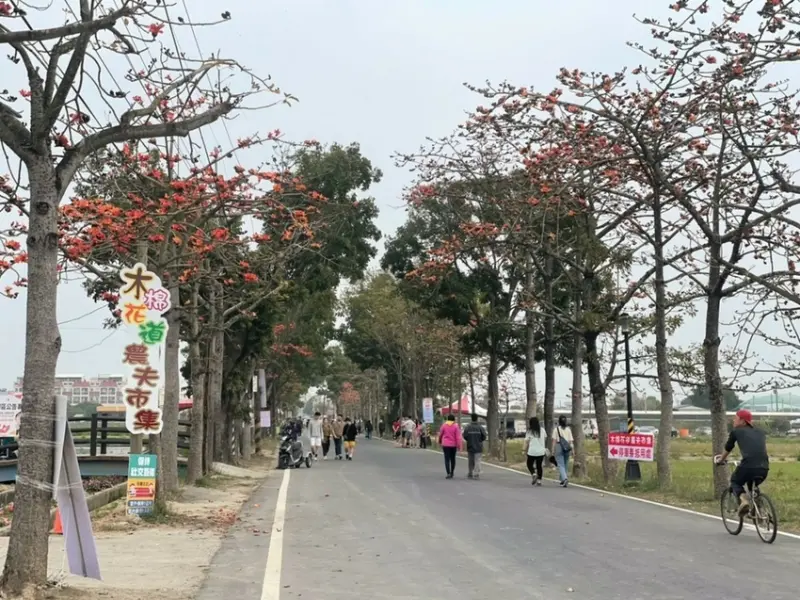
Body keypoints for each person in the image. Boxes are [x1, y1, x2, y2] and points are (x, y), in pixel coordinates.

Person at [715, 409, 769, 516]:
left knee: (735, 481)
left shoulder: (736, 432)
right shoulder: (760, 432)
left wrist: (720, 460)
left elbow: (728, 447)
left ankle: (744, 501)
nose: (733, 421)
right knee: (752, 486)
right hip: (764, 467)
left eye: (736, 418)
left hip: (748, 465)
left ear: (743, 421)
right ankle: (759, 508)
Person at [462, 413, 487, 480]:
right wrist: (480, 440)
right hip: (478, 446)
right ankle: (476, 474)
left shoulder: (468, 427)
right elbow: (484, 436)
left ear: (471, 418)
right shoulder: (480, 427)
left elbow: (464, 436)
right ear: (477, 419)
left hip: (470, 446)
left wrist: (469, 440)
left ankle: (470, 473)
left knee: (471, 461)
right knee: (477, 460)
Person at [551, 415, 573, 487]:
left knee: (560, 464)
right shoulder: (568, 429)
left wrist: (553, 450)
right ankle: (562, 479)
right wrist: (572, 450)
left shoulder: (556, 429)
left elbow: (554, 441)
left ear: (559, 421)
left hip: (559, 446)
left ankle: (565, 478)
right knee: (565, 464)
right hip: (567, 447)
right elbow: (570, 441)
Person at [438, 414, 462, 479]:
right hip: (453, 445)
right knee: (453, 459)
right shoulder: (456, 426)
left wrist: (440, 441)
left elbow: (440, 434)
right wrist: (459, 445)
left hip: (445, 444)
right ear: (454, 419)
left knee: (447, 459)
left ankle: (448, 473)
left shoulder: (444, 426)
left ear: (448, 419)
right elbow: (458, 437)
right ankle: (452, 472)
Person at [524, 416, 546, 486]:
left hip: (532, 451)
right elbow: (545, 438)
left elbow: (526, 442)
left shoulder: (529, 431)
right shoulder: (542, 430)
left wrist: (523, 450)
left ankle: (533, 474)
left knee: (529, 464)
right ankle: (539, 481)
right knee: (539, 466)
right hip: (541, 451)